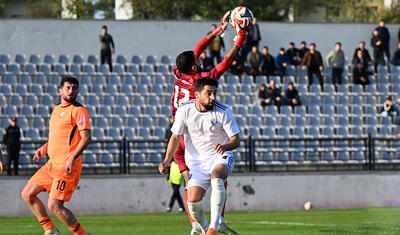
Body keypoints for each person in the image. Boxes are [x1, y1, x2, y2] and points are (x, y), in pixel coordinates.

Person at [166, 10, 246, 235]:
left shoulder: (178, 73)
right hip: (188, 132)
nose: (199, 58)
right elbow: (224, 65)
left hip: (179, 129)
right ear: (193, 68)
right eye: (197, 61)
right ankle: (214, 222)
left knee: (194, 184)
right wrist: (238, 41)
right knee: (216, 176)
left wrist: (218, 31)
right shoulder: (197, 83)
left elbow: (198, 48)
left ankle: (198, 226)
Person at [159, 77, 240, 235]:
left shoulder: (223, 111)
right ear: (196, 94)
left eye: (214, 93)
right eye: (208, 93)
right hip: (197, 163)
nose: (213, 97)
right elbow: (175, 138)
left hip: (220, 156)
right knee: (192, 200)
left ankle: (213, 227)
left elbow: (236, 140)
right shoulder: (184, 110)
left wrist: (224, 146)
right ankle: (204, 230)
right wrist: (166, 160)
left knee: (217, 176)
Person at [21, 76, 91, 235]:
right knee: (27, 194)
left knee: (54, 206)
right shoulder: (56, 109)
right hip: (51, 164)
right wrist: (45, 147)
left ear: (78, 91)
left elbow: (86, 138)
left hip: (66, 166)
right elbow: (59, 135)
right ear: (60, 90)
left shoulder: (79, 110)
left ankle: (82, 234)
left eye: (74, 88)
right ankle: (50, 230)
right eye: (68, 88)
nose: (71, 91)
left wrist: (71, 158)